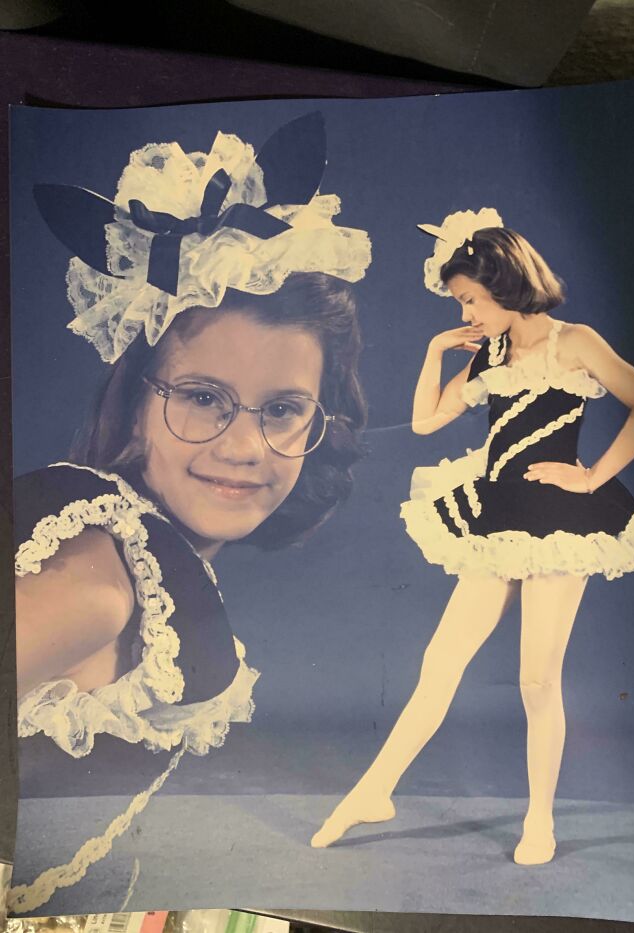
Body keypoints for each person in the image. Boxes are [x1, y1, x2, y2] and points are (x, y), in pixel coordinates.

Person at [11, 113, 372, 913]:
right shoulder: (101, 571)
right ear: (134, 398)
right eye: (204, 397)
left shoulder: (151, 562)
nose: (244, 445)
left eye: (283, 409)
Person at [311, 209, 634, 865]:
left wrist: (593, 477)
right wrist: (432, 351)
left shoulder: (577, 343)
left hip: (561, 523)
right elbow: (425, 422)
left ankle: (541, 820)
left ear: (506, 284)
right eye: (461, 303)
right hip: (496, 514)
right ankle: (374, 789)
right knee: (439, 661)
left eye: (471, 300)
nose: (469, 314)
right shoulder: (491, 352)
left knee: (536, 678)